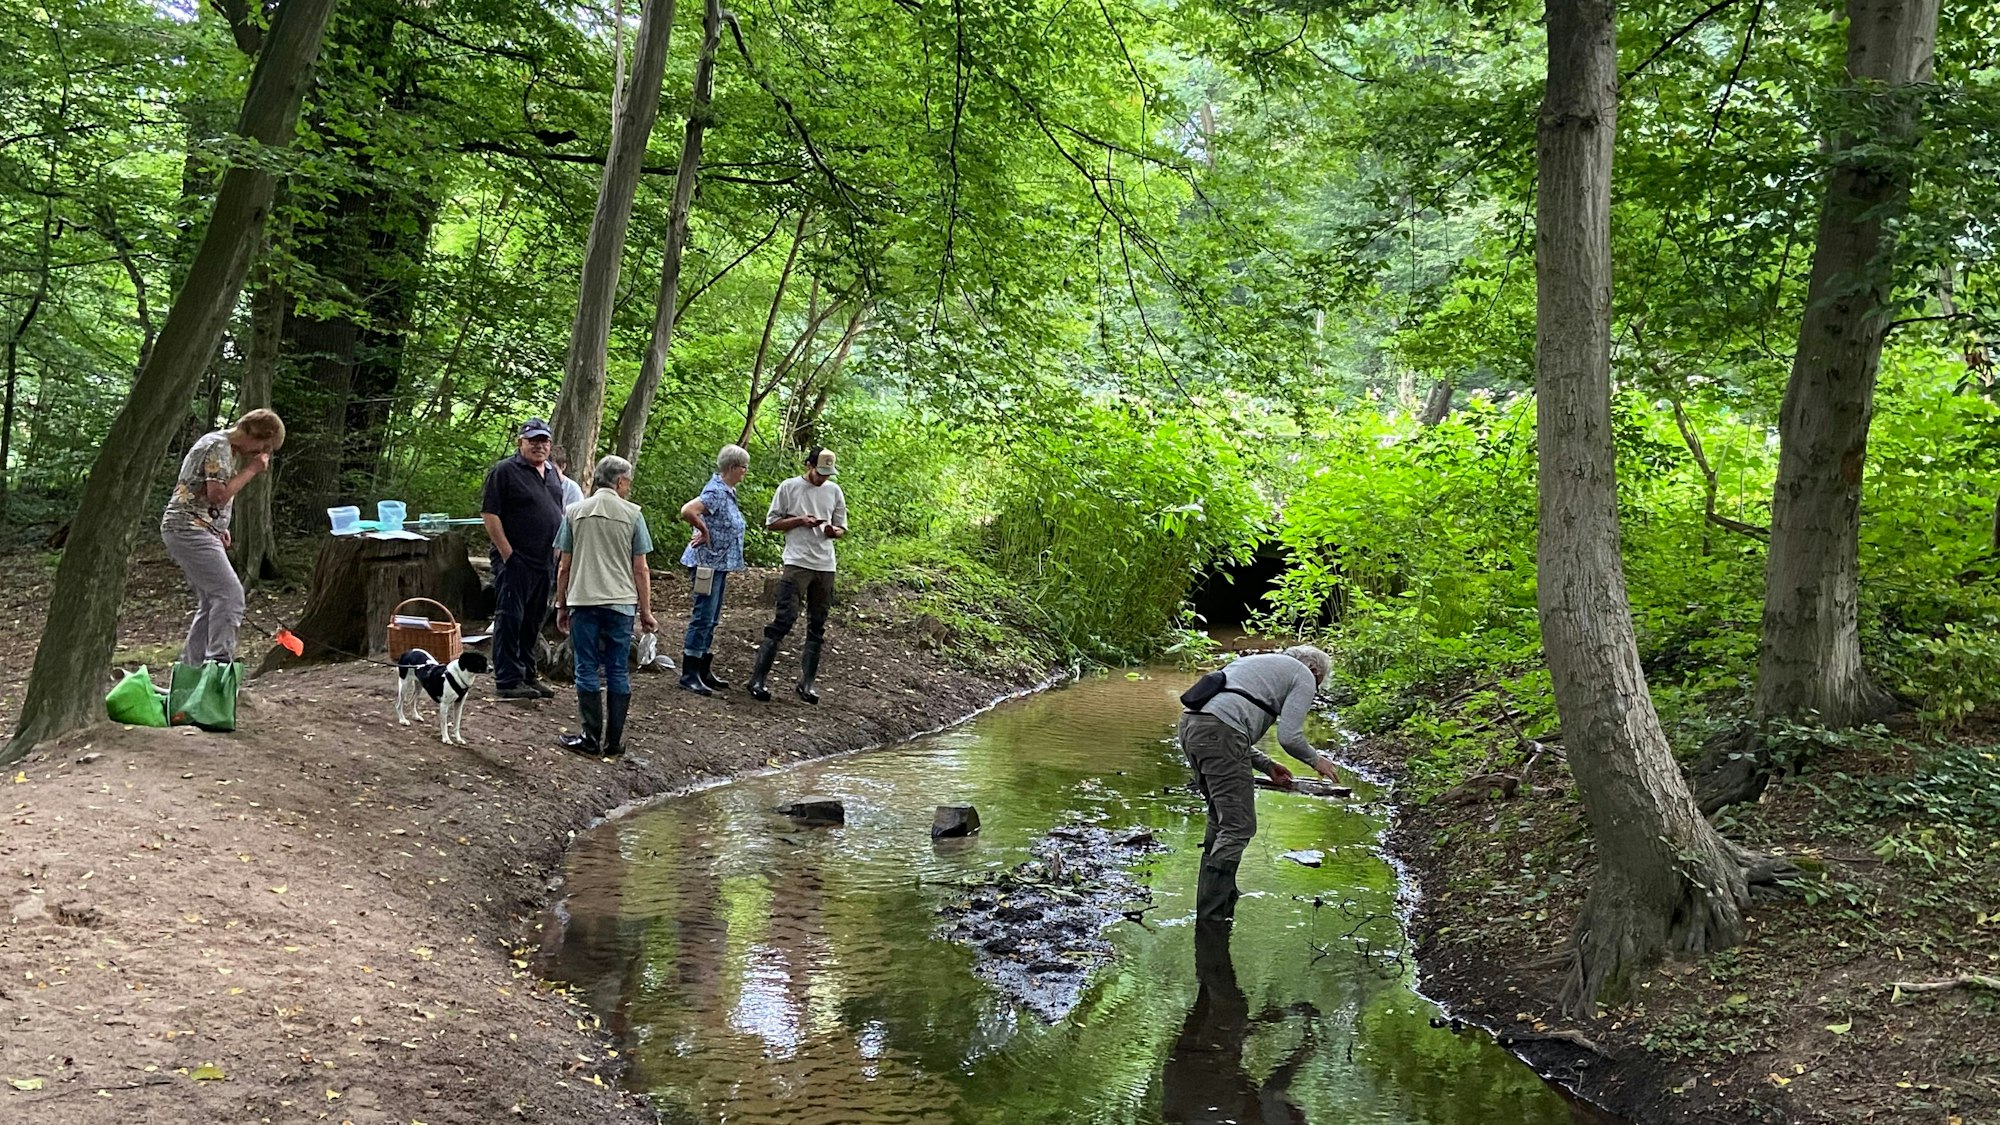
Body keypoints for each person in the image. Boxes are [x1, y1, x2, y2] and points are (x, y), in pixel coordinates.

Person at [1177, 646, 1344, 926]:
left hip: (1190, 726)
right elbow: (1289, 737)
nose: (1313, 691)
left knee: (1220, 817)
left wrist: (1267, 765)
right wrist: (1318, 761)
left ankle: (1221, 896)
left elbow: (1222, 720)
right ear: (1315, 671)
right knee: (1238, 826)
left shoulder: (1258, 664)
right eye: (1318, 684)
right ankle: (1212, 915)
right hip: (1220, 732)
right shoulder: (1303, 674)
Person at [159, 409, 285, 665]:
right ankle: (218, 663)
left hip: (197, 527)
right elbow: (217, 494)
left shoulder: (221, 446)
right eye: (265, 447)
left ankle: (192, 669)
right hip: (188, 528)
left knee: (211, 600)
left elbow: (205, 495)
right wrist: (251, 470)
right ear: (257, 433)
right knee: (230, 594)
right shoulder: (218, 446)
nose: (262, 453)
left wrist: (218, 526)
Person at [553, 455, 656, 757]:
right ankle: (613, 741)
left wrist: (561, 604)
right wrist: (646, 611)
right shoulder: (633, 515)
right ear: (620, 481)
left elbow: (564, 565)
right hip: (621, 603)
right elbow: (641, 568)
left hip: (583, 600)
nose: (629, 487)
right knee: (617, 669)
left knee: (585, 666)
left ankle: (589, 737)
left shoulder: (574, 512)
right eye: (628, 482)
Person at [746, 446, 847, 704]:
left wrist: (833, 531)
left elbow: (841, 526)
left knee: (818, 623)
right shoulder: (789, 487)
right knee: (785, 618)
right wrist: (800, 521)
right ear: (808, 465)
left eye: (827, 474)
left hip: (825, 564)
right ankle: (758, 679)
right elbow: (771, 523)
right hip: (797, 562)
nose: (823, 478)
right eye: (819, 472)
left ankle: (807, 684)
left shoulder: (834, 491)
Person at [480, 418, 566, 700]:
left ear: (550, 445)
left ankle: (528, 673)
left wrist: (558, 549)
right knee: (510, 618)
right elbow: (490, 514)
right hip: (516, 560)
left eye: (544, 441)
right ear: (521, 442)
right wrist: (508, 553)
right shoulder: (505, 471)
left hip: (545, 560)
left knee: (533, 621)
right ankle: (507, 679)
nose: (539, 446)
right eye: (533, 441)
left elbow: (557, 512)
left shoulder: (552, 473)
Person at [676, 444, 750, 696]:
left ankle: (703, 668)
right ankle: (689, 673)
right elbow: (688, 510)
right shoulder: (716, 491)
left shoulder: (727, 491)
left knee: (713, 617)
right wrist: (703, 530)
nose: (745, 472)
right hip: (706, 564)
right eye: (744, 467)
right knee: (703, 616)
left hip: (719, 564)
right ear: (733, 467)